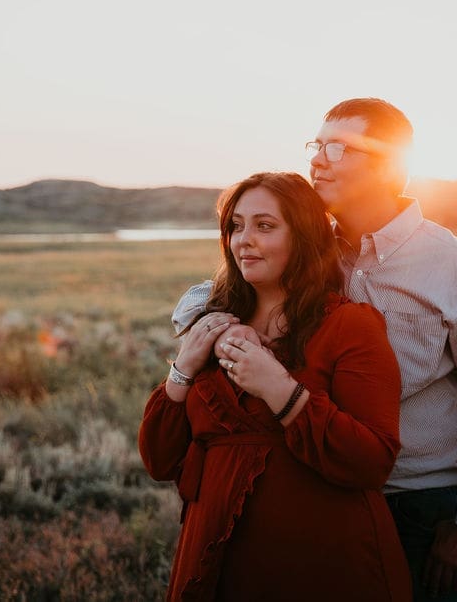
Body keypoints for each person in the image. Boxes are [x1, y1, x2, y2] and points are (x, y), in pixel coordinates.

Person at [172, 99, 457, 601]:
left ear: (391, 165)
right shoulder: (309, 251)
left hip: (421, 507)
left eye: (339, 147)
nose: (318, 160)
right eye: (316, 145)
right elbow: (207, 294)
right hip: (318, 494)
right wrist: (224, 332)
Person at [138, 172, 412, 601]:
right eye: (236, 226)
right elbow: (158, 459)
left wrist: (281, 391)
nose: (244, 239)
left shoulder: (349, 326)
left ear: (302, 236)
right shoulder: (212, 323)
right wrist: (186, 366)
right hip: (216, 555)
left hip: (322, 563)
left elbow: (373, 461)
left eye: (265, 226)